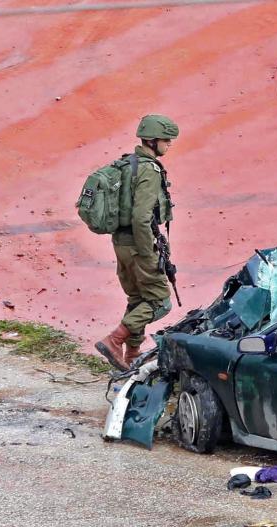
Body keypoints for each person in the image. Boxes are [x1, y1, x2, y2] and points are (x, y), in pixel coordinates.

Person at [94, 114, 179, 371]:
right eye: (167, 140)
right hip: (138, 245)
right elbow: (142, 217)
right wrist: (147, 254)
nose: (169, 145)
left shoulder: (126, 165)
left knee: (138, 300)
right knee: (159, 302)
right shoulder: (148, 170)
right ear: (153, 141)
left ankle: (131, 355)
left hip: (120, 242)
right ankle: (114, 340)